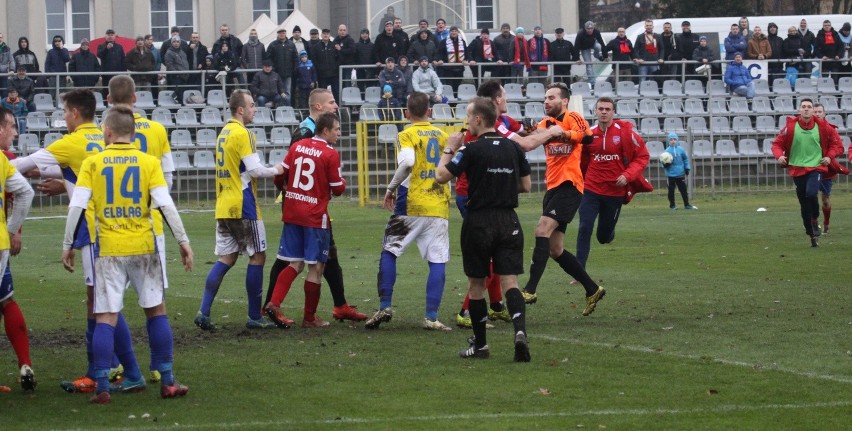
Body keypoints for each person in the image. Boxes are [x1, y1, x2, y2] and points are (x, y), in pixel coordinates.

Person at [61, 105, 193, 404]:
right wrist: (183, 241)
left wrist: (67, 244)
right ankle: (168, 381)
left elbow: (76, 208)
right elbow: (165, 205)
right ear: (133, 134)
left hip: (109, 249)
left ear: (107, 132)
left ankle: (103, 386)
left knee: (105, 316)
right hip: (144, 247)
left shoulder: (93, 163)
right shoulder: (148, 163)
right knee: (156, 310)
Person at [10, 89, 118, 394]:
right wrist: (64, 182)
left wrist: (9, 167)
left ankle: (98, 372)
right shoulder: (102, 136)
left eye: (64, 112)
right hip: (117, 222)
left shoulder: (70, 142)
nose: (63, 118)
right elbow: (80, 170)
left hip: (91, 223)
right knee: (106, 297)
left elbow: (21, 165)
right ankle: (116, 366)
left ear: (74, 113)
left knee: (96, 301)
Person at [452, 80, 563, 328]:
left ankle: (496, 306)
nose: (507, 99)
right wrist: (554, 132)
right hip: (474, 195)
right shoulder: (492, 125)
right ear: (495, 101)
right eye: (504, 95)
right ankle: (466, 311)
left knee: (494, 252)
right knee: (490, 255)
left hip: (488, 194)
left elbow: (525, 133)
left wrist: (545, 128)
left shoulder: (503, 121)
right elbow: (524, 144)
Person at [435, 97, 532, 362]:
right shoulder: (514, 147)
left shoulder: (470, 149)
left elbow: (441, 176)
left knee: (476, 285)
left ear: (479, 119)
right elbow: (526, 186)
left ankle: (481, 346)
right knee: (510, 281)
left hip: (479, 221)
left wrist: (449, 148)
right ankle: (520, 332)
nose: (467, 122)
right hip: (508, 220)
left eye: (468, 117)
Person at [263, 89, 366, 323]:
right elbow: (337, 187)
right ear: (326, 129)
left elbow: (281, 174)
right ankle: (308, 317)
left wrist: (287, 191)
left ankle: (274, 303)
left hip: (293, 210)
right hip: (313, 214)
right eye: (337, 130)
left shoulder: (299, 145)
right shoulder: (326, 150)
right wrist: (340, 183)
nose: (339, 134)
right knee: (316, 265)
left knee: (296, 262)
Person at [194, 90, 286, 330]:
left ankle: (203, 312)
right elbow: (254, 170)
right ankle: (254, 316)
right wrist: (278, 169)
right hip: (243, 205)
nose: (255, 109)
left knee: (227, 257)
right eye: (252, 105)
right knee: (257, 256)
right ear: (241, 110)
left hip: (223, 204)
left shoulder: (223, 133)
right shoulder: (243, 133)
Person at [107, 75, 176, 383]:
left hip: (112, 227)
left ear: (108, 100)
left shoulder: (103, 131)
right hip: (151, 225)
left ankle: (114, 364)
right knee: (154, 303)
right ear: (136, 99)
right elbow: (169, 177)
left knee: (107, 303)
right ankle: (160, 369)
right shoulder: (157, 129)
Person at [366, 92, 451, 331]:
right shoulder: (442, 136)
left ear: (406, 112)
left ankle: (385, 306)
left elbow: (407, 163)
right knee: (437, 260)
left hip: (410, 203)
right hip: (438, 204)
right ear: (430, 112)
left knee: (390, 250)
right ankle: (431, 317)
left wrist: (390, 188)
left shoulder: (406, 134)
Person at [519, 83, 605, 316]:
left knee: (541, 230)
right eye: (545, 98)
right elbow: (529, 138)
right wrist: (523, 132)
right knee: (556, 249)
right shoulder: (544, 124)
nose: (546, 101)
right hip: (553, 187)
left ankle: (530, 289)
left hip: (570, 185)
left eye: (551, 97)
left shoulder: (572, 117)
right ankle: (592, 288)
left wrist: (562, 133)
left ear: (564, 101)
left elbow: (586, 137)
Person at [576, 97, 650, 270]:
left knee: (603, 237)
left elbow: (642, 156)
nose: (603, 112)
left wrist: (628, 175)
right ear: (595, 111)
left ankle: (609, 233)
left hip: (614, 192)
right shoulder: (588, 134)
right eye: (600, 108)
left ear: (613, 112)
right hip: (591, 189)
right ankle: (579, 271)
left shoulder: (625, 133)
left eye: (607, 109)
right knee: (584, 227)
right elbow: (581, 161)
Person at [773, 100, 844, 247]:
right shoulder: (790, 127)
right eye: (803, 107)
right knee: (804, 204)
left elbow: (837, 145)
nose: (806, 109)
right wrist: (779, 156)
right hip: (797, 169)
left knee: (811, 193)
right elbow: (777, 144)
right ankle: (811, 235)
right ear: (799, 110)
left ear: (813, 111)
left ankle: (815, 218)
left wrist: (829, 157)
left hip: (816, 167)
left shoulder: (823, 126)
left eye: (809, 107)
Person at [0, 106, 35, 392]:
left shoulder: (7, 158)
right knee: (6, 301)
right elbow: (24, 190)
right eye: (11, 126)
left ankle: (24, 362)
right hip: (0, 241)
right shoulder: (4, 159)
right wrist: (14, 230)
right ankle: (24, 362)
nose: (14, 132)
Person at [812, 103, 841, 233]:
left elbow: (839, 147)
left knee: (825, 199)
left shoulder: (830, 129)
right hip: (809, 167)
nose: (817, 114)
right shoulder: (804, 128)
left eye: (819, 112)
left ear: (824, 114)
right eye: (815, 112)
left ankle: (826, 223)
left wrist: (829, 157)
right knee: (810, 196)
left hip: (825, 169)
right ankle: (813, 222)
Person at [661, 132, 697, 211]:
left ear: (677, 140)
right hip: (671, 175)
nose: (673, 141)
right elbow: (662, 161)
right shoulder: (666, 151)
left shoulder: (681, 150)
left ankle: (687, 204)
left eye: (674, 139)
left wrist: (687, 168)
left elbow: (685, 159)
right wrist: (665, 165)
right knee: (671, 191)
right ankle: (672, 205)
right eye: (671, 140)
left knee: (683, 190)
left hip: (680, 173)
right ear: (668, 141)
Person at [267, 28, 298, 104]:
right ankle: (278, 110)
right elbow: (268, 58)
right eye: (280, 33)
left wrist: (294, 69)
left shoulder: (291, 44)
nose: (282, 34)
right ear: (278, 34)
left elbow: (295, 58)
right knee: (277, 92)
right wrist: (272, 69)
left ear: (285, 34)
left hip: (288, 73)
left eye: (283, 33)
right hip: (276, 74)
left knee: (287, 92)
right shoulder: (272, 45)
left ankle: (287, 110)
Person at [312, 29, 340, 102]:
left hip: (334, 74)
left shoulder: (334, 45)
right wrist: (319, 69)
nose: (325, 35)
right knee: (322, 94)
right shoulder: (316, 47)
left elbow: (338, 58)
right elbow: (314, 60)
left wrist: (335, 68)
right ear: (321, 35)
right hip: (322, 75)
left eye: (327, 34)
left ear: (329, 35)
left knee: (336, 93)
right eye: (324, 33)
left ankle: (336, 109)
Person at [439, 26, 468, 92]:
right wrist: (440, 59)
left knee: (457, 86)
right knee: (449, 86)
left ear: (457, 32)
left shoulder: (462, 41)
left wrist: (466, 59)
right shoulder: (444, 42)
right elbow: (439, 53)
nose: (454, 32)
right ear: (449, 32)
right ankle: (450, 101)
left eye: (455, 31)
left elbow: (466, 52)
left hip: (459, 68)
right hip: (448, 69)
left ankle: (456, 101)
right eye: (452, 31)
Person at [98, 29, 127, 95]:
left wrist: (124, 72)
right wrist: (106, 48)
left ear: (114, 36)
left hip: (118, 74)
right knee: (106, 91)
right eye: (108, 35)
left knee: (118, 91)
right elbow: (99, 55)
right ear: (106, 36)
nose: (110, 36)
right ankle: (106, 104)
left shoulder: (119, 47)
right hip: (106, 74)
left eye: (112, 35)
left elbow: (123, 59)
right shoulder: (101, 46)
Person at [164, 37, 190, 101]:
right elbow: (169, 65)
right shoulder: (169, 53)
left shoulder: (182, 52)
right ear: (171, 43)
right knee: (176, 96)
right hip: (175, 78)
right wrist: (177, 74)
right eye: (174, 42)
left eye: (178, 42)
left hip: (184, 77)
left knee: (183, 95)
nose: (176, 43)